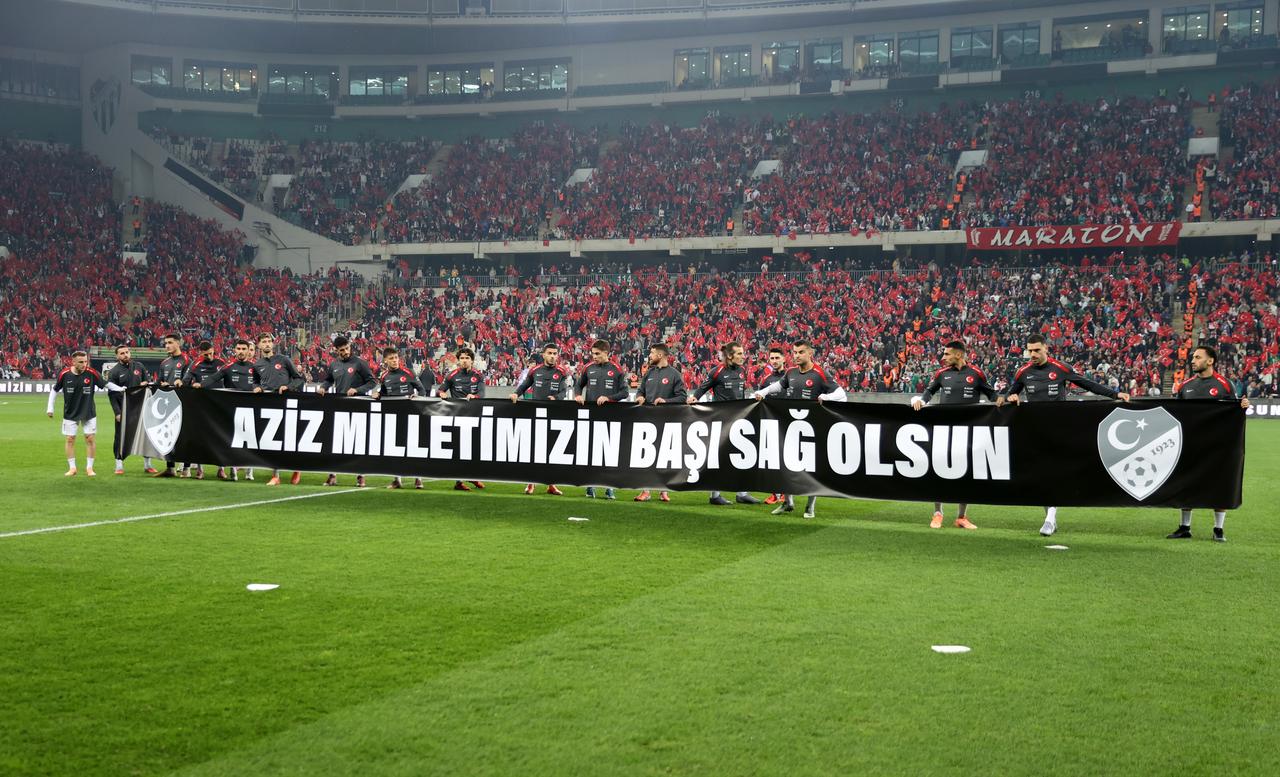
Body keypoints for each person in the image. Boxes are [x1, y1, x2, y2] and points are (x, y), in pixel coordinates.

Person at [997, 333, 1131, 536]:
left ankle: (1050, 519)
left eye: (1036, 350)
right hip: (1036, 430)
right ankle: (1050, 517)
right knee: (1041, 477)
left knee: (1052, 473)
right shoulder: (1023, 372)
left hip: (1058, 428)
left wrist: (1115, 394)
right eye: (1030, 350)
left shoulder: (1060, 368)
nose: (1032, 354)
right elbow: (1010, 393)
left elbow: (1087, 384)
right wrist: (1010, 396)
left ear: (1046, 349)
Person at [1166, 345, 1250, 542]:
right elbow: (1177, 414)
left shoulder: (1224, 384)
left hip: (1216, 445)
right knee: (1185, 484)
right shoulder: (1185, 386)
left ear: (1210, 361)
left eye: (1197, 357)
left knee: (1219, 484)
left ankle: (1218, 529)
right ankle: (1184, 527)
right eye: (1192, 357)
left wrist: (1243, 407)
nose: (1192, 361)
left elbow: (1234, 410)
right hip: (1190, 443)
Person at [911, 340, 998, 529]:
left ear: (959, 355)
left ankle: (961, 517)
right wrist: (920, 400)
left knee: (966, 473)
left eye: (947, 354)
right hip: (944, 430)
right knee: (939, 470)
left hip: (968, 431)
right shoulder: (942, 374)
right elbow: (929, 391)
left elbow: (993, 396)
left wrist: (1005, 400)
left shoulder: (976, 374)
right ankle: (937, 513)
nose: (943, 358)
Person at [754, 341, 847, 518]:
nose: (796, 355)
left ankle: (810, 506)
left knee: (811, 468)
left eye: (801, 352)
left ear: (810, 353)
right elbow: (778, 386)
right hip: (791, 426)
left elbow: (841, 393)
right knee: (785, 464)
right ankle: (788, 503)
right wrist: (763, 392)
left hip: (813, 428)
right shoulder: (791, 372)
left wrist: (826, 396)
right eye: (794, 352)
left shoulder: (820, 373)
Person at [688, 341, 762, 506]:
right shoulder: (717, 372)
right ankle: (715, 495)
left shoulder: (742, 371)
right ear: (730, 356)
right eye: (740, 354)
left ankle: (742, 493)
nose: (744, 356)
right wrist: (694, 398)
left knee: (742, 456)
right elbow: (702, 389)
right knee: (718, 457)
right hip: (720, 420)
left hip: (739, 419)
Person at [46, 350, 121, 477]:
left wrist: (121, 389)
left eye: (86, 361)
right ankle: (72, 468)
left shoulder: (91, 373)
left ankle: (89, 468)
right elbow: (54, 390)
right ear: (73, 362)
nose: (84, 364)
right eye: (81, 362)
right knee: (70, 439)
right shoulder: (64, 374)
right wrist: (50, 408)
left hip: (88, 411)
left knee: (90, 438)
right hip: (70, 412)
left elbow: (106, 384)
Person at [509, 342, 570, 496]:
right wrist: (516, 393)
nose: (552, 356)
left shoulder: (562, 372)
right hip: (537, 415)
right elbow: (524, 385)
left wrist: (555, 397)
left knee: (552, 451)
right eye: (549, 353)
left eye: (555, 354)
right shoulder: (535, 370)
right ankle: (531, 483)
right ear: (543, 354)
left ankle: (551, 484)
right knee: (534, 450)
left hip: (555, 416)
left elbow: (564, 391)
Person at [317, 336, 377, 488]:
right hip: (339, 407)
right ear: (336, 350)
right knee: (335, 442)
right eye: (341, 350)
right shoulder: (334, 364)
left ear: (350, 346)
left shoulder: (360, 363)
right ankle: (332, 475)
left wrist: (357, 390)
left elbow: (372, 382)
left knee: (358, 442)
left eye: (346, 349)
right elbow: (329, 379)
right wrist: (324, 386)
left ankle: (360, 476)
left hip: (358, 408)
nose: (344, 352)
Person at [574, 339, 630, 500]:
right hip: (591, 416)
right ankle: (590, 486)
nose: (594, 357)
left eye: (597, 354)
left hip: (610, 417)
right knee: (591, 451)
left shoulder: (617, 369)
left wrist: (609, 398)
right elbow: (579, 385)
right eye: (593, 354)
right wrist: (578, 395)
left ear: (607, 353)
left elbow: (625, 393)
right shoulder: (588, 368)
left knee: (608, 453)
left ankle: (609, 488)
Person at [201, 339, 263, 482]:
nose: (241, 351)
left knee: (250, 440)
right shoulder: (227, 367)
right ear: (235, 350)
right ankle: (233, 469)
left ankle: (249, 471)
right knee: (232, 440)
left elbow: (264, 384)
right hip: (231, 410)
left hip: (251, 409)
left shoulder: (255, 368)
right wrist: (199, 385)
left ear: (249, 351)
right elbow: (212, 378)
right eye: (238, 349)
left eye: (243, 349)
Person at [634, 343, 687, 503]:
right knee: (646, 457)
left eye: (652, 353)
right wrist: (639, 397)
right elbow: (640, 391)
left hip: (667, 421)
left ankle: (663, 490)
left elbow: (682, 397)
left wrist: (666, 401)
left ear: (661, 355)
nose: (649, 356)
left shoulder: (674, 374)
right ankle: (646, 491)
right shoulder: (648, 373)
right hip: (648, 421)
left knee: (665, 457)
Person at [373, 346, 427, 490]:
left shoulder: (408, 372)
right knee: (394, 448)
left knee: (413, 446)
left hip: (410, 414)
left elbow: (421, 389)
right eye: (391, 358)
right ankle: (397, 479)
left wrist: (418, 397)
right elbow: (383, 392)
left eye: (396, 358)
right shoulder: (384, 376)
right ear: (385, 360)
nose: (395, 361)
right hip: (393, 416)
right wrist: (378, 394)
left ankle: (418, 478)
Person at [255, 333, 305, 486]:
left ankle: (297, 469)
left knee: (290, 438)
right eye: (264, 342)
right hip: (269, 406)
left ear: (273, 344)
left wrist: (287, 387)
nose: (267, 344)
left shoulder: (283, 360)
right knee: (272, 441)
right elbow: (255, 382)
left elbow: (299, 378)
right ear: (259, 346)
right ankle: (276, 475)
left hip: (286, 403)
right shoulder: (257, 365)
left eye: (269, 341)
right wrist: (256, 387)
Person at [438, 347, 486, 492]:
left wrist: (474, 396)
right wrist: (441, 393)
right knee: (458, 449)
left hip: (473, 416)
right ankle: (459, 481)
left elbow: (482, 394)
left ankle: (471, 475)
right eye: (462, 358)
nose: (464, 361)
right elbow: (440, 389)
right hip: (456, 417)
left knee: (473, 449)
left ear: (472, 360)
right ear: (458, 360)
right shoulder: (452, 375)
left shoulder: (478, 375)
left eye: (467, 358)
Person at [176, 341, 225, 479]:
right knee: (198, 437)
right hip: (201, 406)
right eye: (206, 354)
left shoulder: (221, 362)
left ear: (214, 350)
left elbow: (227, 380)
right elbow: (186, 379)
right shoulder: (195, 364)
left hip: (219, 405)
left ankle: (221, 468)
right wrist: (181, 382)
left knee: (220, 437)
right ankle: (198, 469)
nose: (209, 356)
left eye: (210, 353)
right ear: (200, 353)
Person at [104, 344, 155, 476]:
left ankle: (148, 464)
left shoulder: (139, 366)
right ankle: (119, 464)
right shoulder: (114, 372)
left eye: (127, 352)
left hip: (141, 407)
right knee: (120, 437)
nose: (125, 355)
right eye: (122, 353)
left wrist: (146, 383)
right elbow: (112, 395)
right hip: (124, 409)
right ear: (117, 356)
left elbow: (147, 383)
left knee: (146, 436)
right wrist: (117, 412)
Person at [154, 333, 190, 477]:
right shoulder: (165, 363)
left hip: (183, 403)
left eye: (170, 342)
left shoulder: (187, 360)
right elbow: (160, 382)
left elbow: (188, 381)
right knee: (168, 436)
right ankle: (170, 468)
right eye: (165, 343)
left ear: (178, 343)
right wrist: (161, 384)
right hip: (168, 405)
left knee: (184, 436)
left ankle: (186, 469)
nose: (167, 345)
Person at [758, 346, 788, 505]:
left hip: (788, 423)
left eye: (777, 358)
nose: (775, 361)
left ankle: (785, 493)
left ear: (784, 358)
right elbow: (759, 400)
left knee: (786, 460)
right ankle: (774, 494)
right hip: (770, 423)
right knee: (770, 460)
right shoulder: (766, 380)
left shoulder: (792, 376)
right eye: (772, 358)